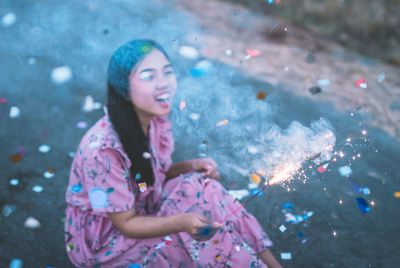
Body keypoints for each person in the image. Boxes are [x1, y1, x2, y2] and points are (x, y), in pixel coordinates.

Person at [64, 39, 282, 268]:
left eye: (167, 72)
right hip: (106, 242)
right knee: (195, 233)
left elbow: (150, 177)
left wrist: (189, 166)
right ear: (124, 89)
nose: (164, 84)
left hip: (142, 206)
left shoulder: (154, 120)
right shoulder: (102, 151)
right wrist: (181, 222)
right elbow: (125, 223)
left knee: (204, 188)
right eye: (149, 76)